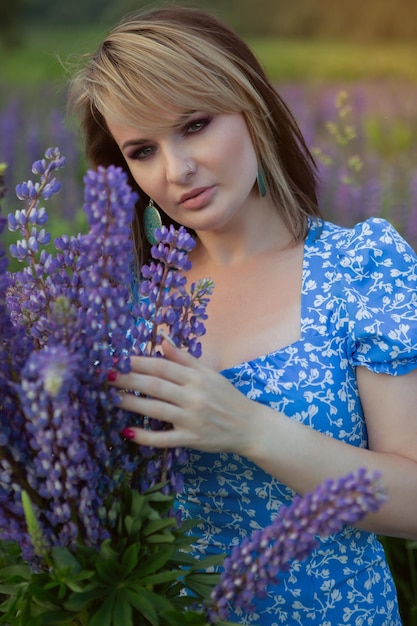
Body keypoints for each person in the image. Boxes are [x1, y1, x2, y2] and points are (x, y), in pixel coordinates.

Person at [68, 5, 417, 624]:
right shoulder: (124, 301)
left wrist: (251, 428)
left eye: (195, 125)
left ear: (250, 105)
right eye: (143, 149)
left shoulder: (359, 266)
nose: (177, 171)